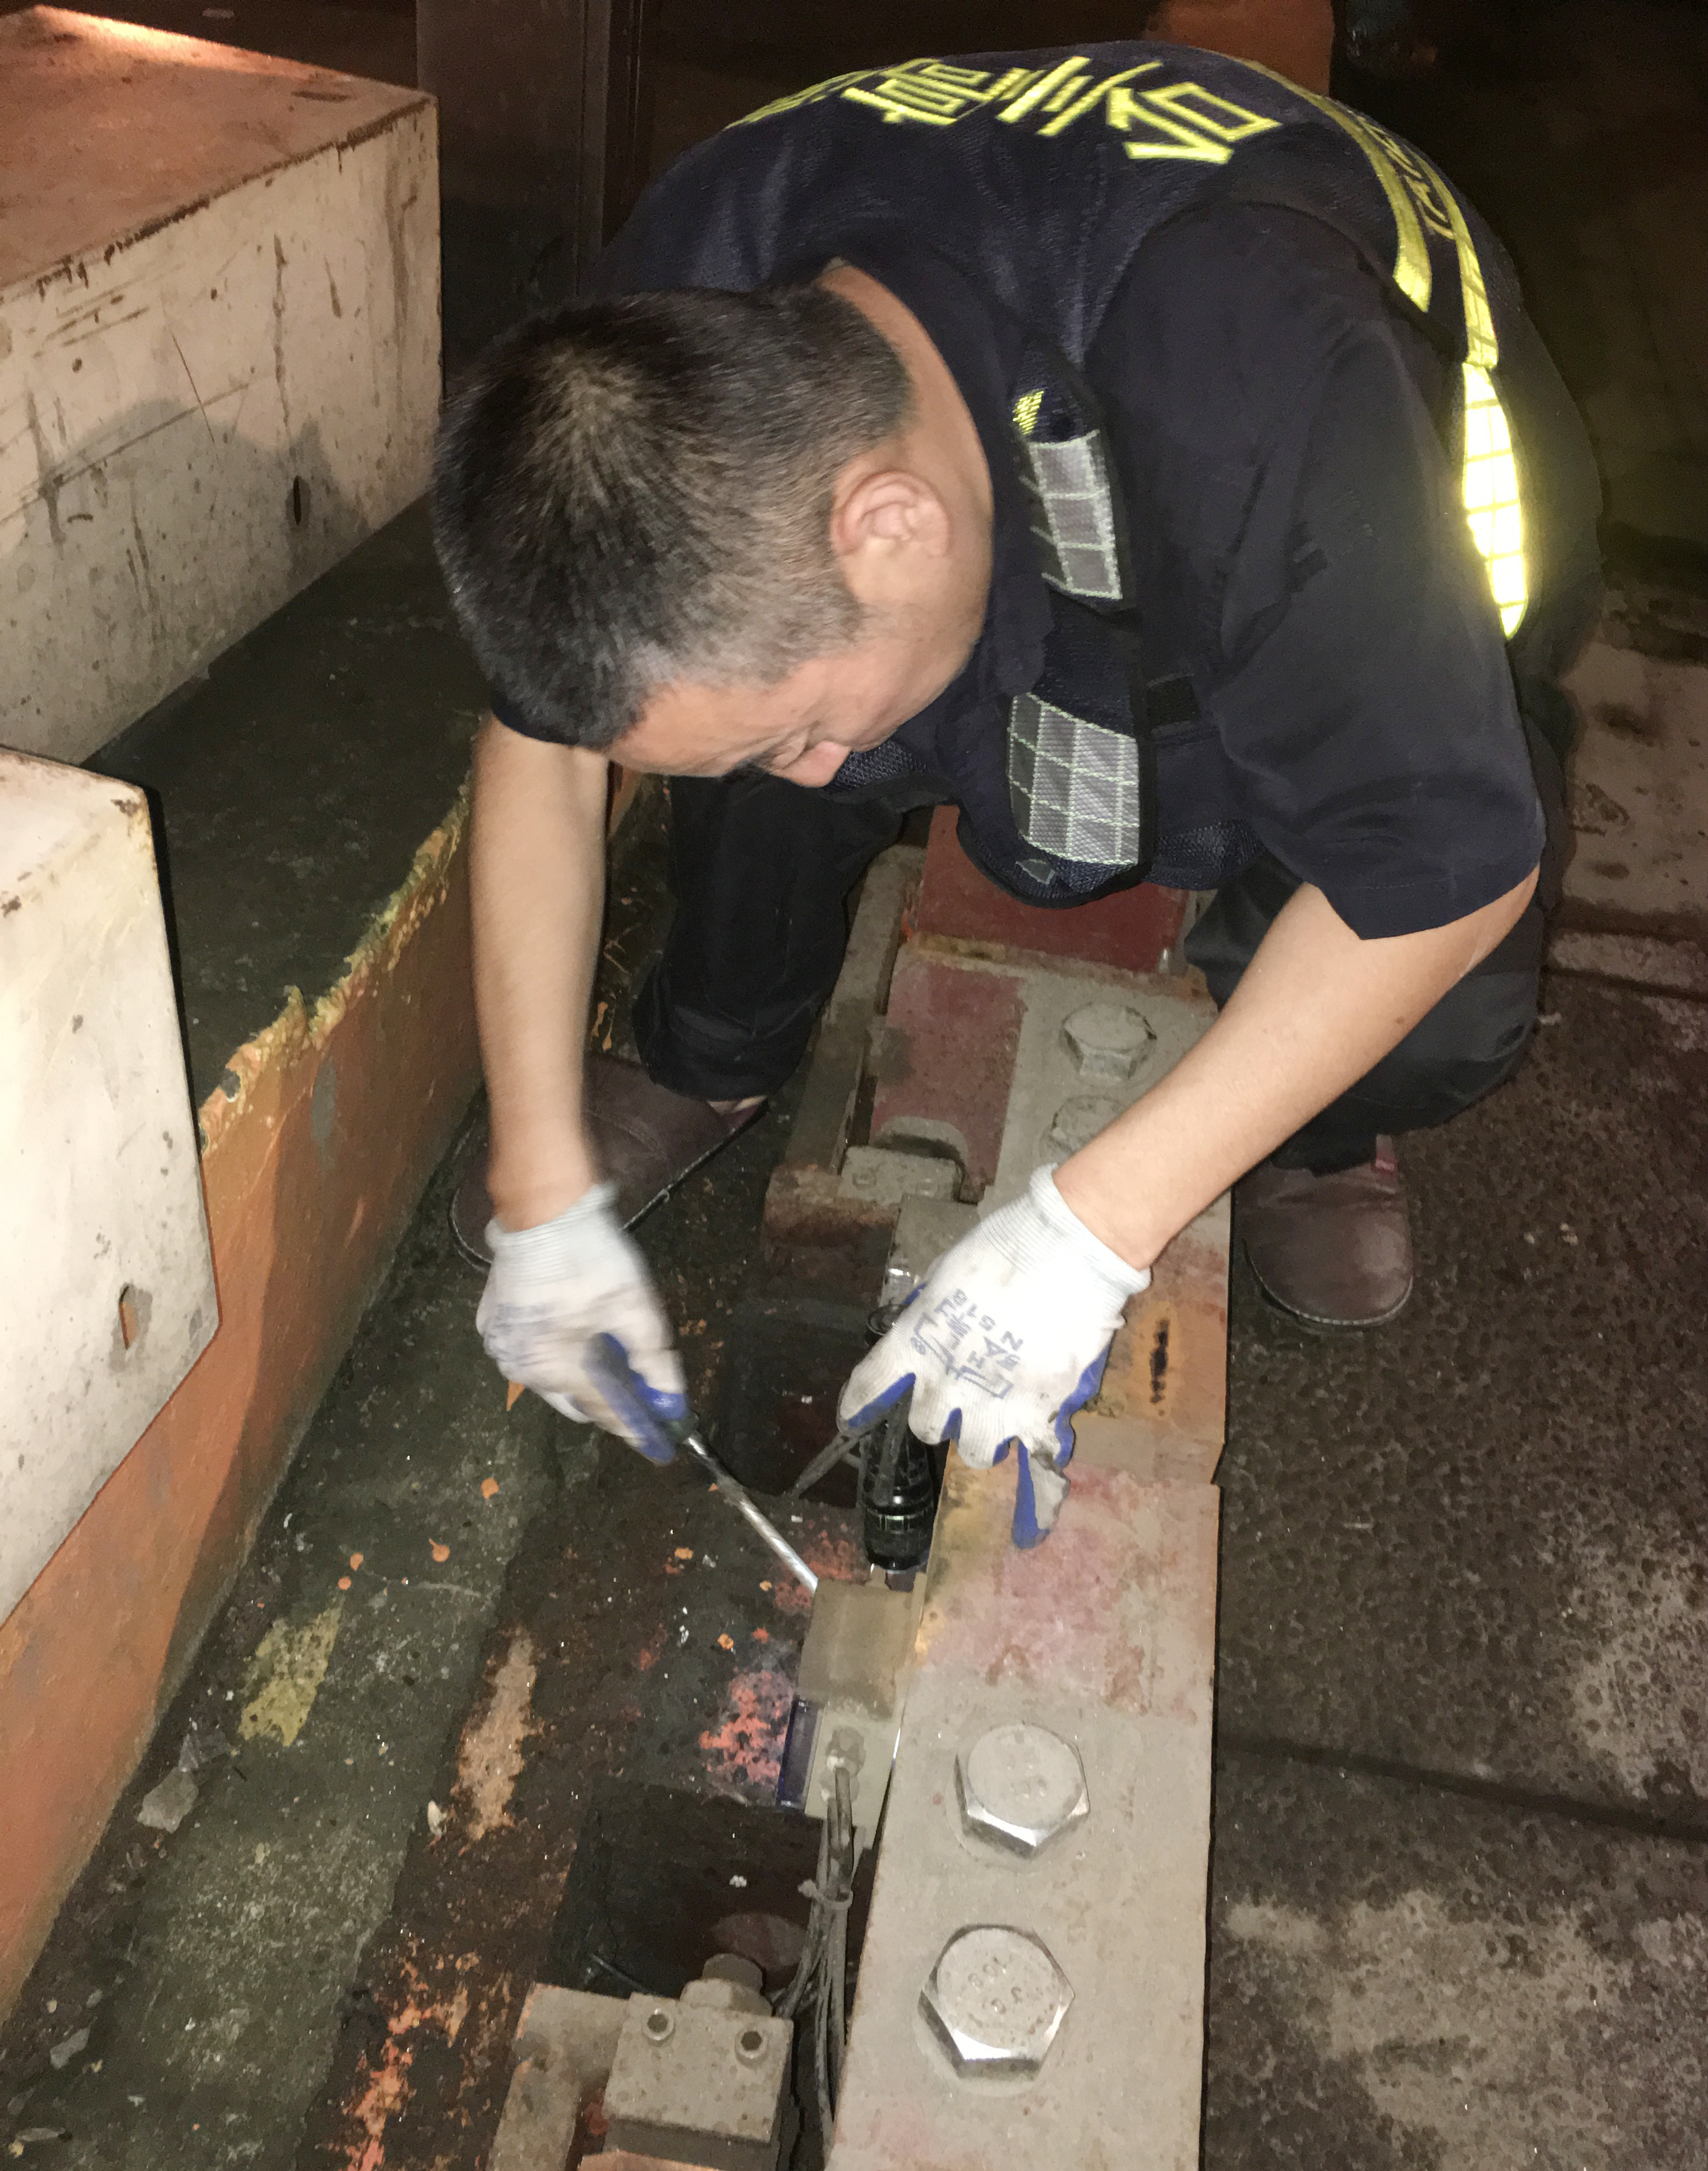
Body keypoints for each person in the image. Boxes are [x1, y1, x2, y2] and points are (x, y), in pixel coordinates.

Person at [431, 42, 1601, 1545]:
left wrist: (1088, 1233)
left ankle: (1315, 1125)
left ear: (892, 523)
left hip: (1368, 532)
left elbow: (1444, 864)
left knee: (1423, 975)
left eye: (805, 733)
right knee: (748, 723)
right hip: (1015, 458)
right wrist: (538, 1179)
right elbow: (547, 735)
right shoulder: (659, 343)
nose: (815, 772)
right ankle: (711, 1047)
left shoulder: (1244, 364)